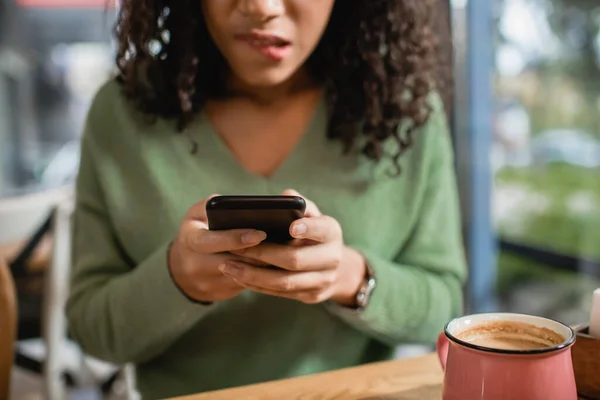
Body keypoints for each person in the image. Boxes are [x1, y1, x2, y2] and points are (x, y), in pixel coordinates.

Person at [66, 0, 467, 398]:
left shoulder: (402, 109)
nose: (262, 8)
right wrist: (177, 279)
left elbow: (444, 305)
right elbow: (90, 328)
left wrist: (348, 277)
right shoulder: (121, 112)